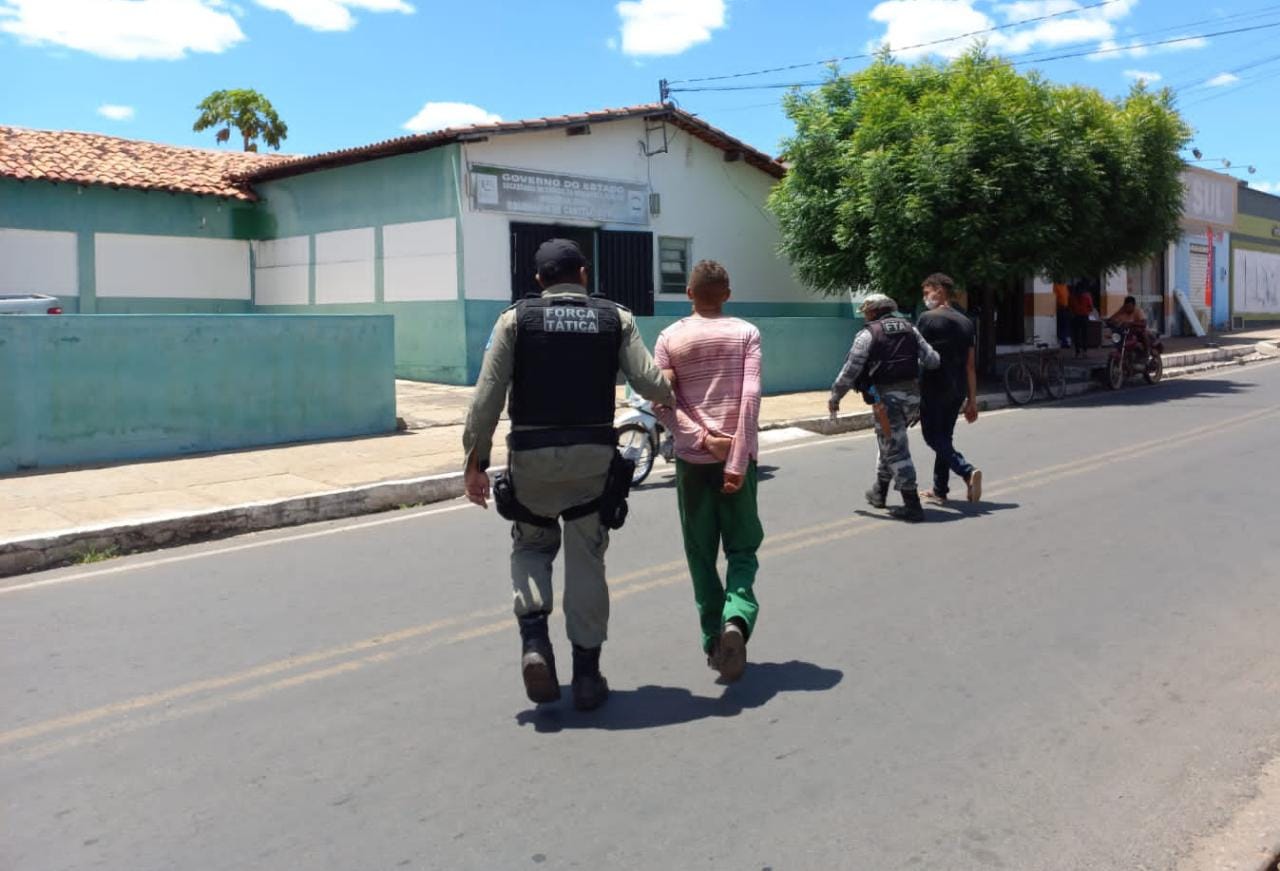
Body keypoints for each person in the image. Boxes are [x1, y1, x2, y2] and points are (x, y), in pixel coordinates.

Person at [462, 239, 673, 712]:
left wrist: (474, 464)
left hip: (532, 461)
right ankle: (586, 674)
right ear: (583, 272)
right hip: (592, 460)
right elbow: (648, 381)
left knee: (532, 545)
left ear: (539, 281)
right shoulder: (615, 318)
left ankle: (535, 642)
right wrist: (673, 394)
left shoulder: (515, 320)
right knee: (586, 559)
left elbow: (486, 399)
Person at [652, 260, 763, 683]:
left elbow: (661, 401)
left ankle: (714, 641)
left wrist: (700, 440)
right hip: (739, 461)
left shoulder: (670, 338)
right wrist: (734, 457)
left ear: (688, 294)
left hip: (692, 465)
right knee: (742, 549)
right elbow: (750, 395)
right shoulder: (746, 334)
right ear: (728, 294)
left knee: (701, 555)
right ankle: (737, 617)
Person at [828, 293, 940, 523]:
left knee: (896, 448)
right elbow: (933, 360)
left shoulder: (868, 334)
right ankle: (879, 492)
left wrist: (835, 396)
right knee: (890, 442)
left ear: (875, 311)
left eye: (867, 312)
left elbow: (850, 371)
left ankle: (912, 505)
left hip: (886, 401)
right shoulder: (910, 329)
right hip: (912, 399)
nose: (865, 316)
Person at [915, 273, 983, 506]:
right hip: (958, 389)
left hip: (934, 386)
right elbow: (970, 365)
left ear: (939, 291)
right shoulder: (966, 322)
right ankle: (940, 489)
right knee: (945, 437)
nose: (925, 298)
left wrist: (913, 391)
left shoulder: (927, 319)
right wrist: (972, 400)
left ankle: (966, 471)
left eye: (927, 293)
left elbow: (919, 357)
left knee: (931, 436)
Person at [1069, 281, 1095, 358]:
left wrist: (1074, 313)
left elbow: (1070, 307)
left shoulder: (1072, 297)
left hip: (1076, 317)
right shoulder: (1087, 296)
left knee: (1077, 335)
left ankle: (1078, 352)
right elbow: (1091, 307)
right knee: (1084, 335)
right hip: (1083, 317)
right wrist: (1086, 311)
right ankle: (1084, 352)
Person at [1053, 281, 1072, 349]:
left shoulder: (1064, 285)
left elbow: (1068, 296)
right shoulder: (1056, 285)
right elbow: (1055, 297)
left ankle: (1065, 341)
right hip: (1059, 308)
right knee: (1062, 326)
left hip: (1065, 308)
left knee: (1065, 325)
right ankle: (1063, 341)